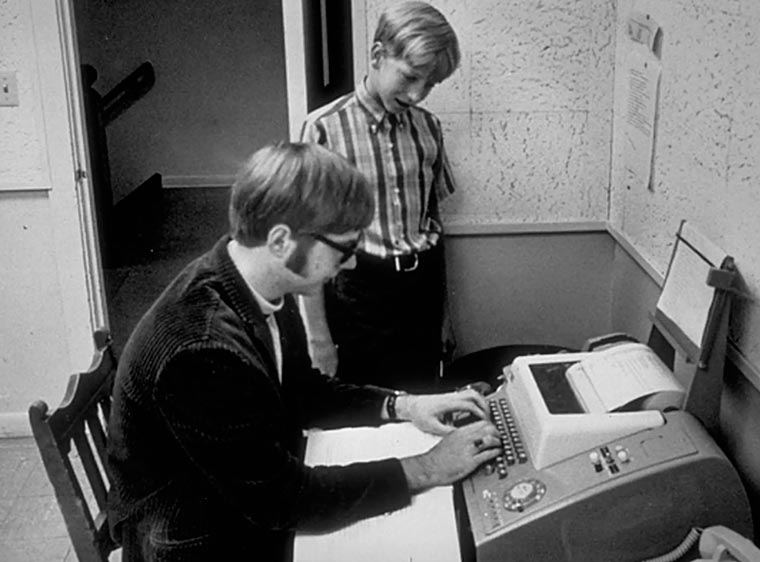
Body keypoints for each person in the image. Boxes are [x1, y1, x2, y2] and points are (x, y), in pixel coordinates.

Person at [106, 142, 501, 562]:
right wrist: (428, 467)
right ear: (281, 241)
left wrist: (406, 406)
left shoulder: (252, 282)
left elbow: (304, 393)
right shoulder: (203, 349)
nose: (350, 265)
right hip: (196, 540)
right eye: (345, 249)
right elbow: (285, 501)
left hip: (241, 498)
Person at [299, 1, 460, 392]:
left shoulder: (428, 128)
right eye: (410, 77)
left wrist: (444, 315)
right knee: (367, 410)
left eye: (431, 85)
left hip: (421, 291)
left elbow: (433, 218)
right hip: (359, 297)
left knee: (423, 403)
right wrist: (317, 335)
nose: (418, 94)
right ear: (377, 55)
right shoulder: (324, 130)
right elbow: (305, 241)